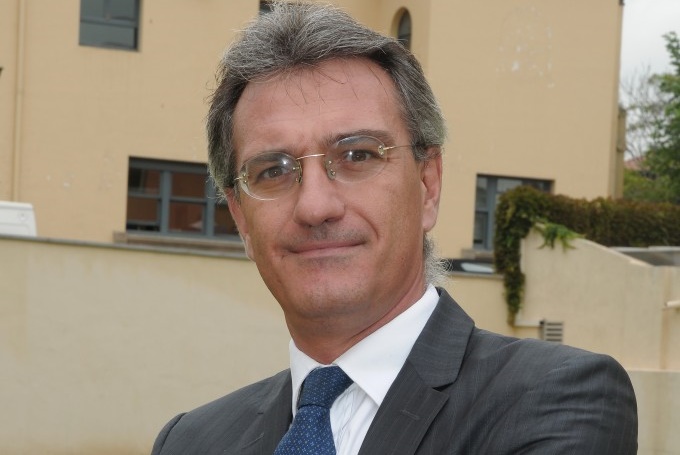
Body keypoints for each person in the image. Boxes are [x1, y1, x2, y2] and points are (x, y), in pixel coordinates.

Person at [151, 2, 638, 454]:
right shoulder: (190, 442)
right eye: (273, 170)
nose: (315, 206)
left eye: (358, 155)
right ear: (241, 218)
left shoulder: (556, 399)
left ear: (428, 185)